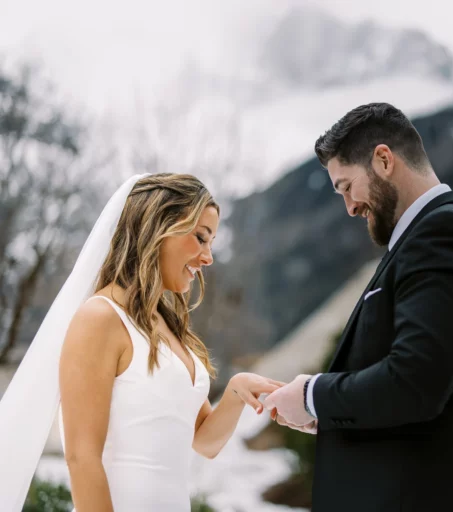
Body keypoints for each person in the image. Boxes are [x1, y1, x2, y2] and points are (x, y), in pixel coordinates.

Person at [265, 103, 453, 511]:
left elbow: (415, 382)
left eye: (347, 186)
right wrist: (326, 415)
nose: (349, 207)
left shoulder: (443, 235)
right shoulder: (428, 238)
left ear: (383, 160)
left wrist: (314, 396)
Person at [0, 173, 281, 512]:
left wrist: (237, 391)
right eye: (200, 238)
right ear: (158, 229)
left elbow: (204, 442)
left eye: (212, 243)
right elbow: (82, 457)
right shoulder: (100, 319)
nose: (208, 257)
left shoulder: (168, 325)